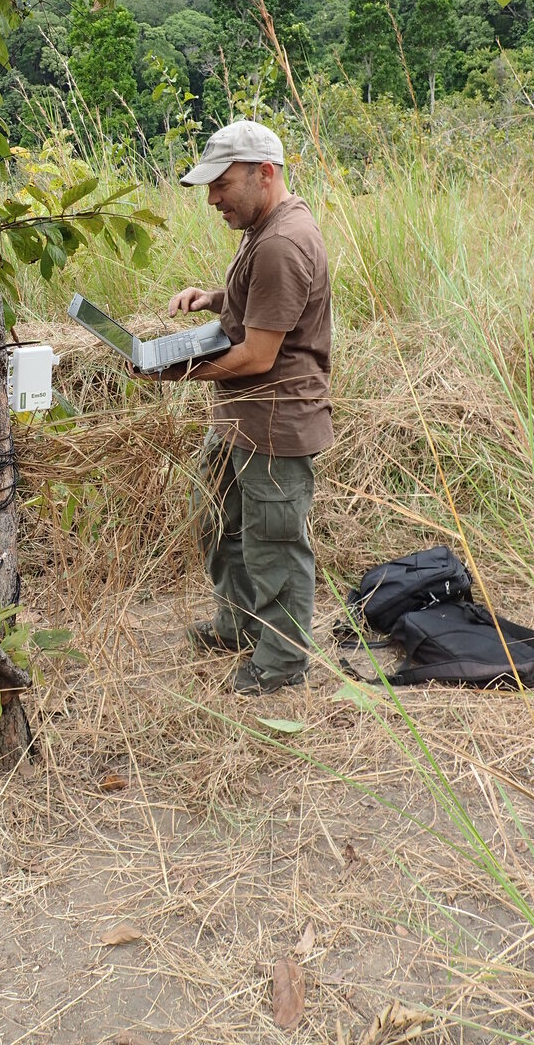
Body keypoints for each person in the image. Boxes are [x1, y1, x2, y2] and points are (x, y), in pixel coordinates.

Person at [135, 119, 333, 696]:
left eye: (221, 185)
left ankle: (281, 662)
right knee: (217, 522)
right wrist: (215, 297)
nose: (213, 199)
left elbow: (255, 355)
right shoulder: (264, 227)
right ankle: (238, 626)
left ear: (263, 173)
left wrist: (176, 372)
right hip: (240, 420)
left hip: (274, 421)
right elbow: (264, 300)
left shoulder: (282, 242)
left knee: (274, 545)